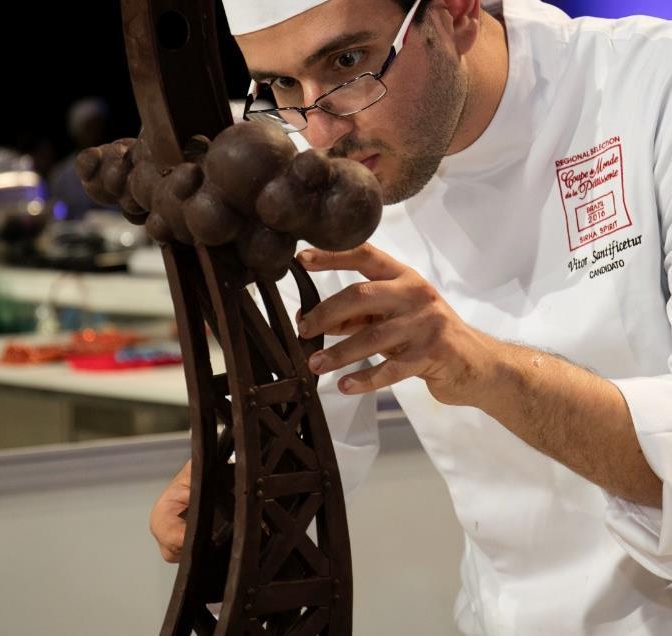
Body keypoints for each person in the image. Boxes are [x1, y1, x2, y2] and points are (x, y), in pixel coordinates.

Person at [150, 0, 672, 633]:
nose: (320, 132)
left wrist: (479, 366)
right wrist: (233, 491)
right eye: (282, 84)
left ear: (455, 11)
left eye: (348, 61)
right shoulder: (309, 159)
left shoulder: (649, 92)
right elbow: (317, 421)